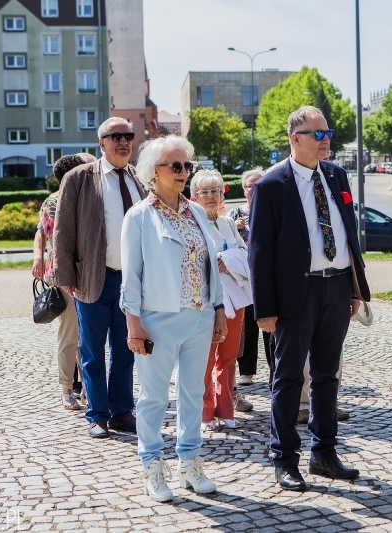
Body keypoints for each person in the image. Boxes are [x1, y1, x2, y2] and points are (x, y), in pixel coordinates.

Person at [249, 106, 371, 492]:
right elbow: (259, 253)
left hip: (335, 287)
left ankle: (325, 454)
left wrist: (353, 288)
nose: (326, 140)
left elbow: (348, 234)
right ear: (294, 138)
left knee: (327, 375)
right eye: (317, 134)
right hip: (294, 295)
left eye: (328, 133)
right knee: (287, 378)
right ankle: (284, 458)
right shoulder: (272, 186)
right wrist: (265, 309)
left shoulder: (336, 175)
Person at [121, 135, 225, 502]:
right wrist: (134, 324)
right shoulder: (138, 217)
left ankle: (190, 463)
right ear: (155, 172)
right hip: (158, 319)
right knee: (152, 398)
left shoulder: (197, 211)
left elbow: (210, 264)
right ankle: (152, 466)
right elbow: (130, 277)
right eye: (176, 166)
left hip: (198, 316)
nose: (183, 173)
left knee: (193, 393)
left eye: (187, 166)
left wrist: (217, 310)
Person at [52, 117, 145, 439]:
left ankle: (122, 412)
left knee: (126, 348)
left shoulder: (138, 179)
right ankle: (97, 415)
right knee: (92, 350)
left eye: (128, 136)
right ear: (101, 142)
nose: (123, 141)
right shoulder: (80, 178)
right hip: (93, 278)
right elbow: (63, 229)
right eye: (115, 136)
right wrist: (64, 274)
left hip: (131, 280)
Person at [32, 152, 96, 410]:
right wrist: (38, 257)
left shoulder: (87, 198)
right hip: (67, 276)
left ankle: (89, 389)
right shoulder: (55, 202)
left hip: (91, 275)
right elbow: (54, 235)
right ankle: (67, 388)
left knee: (89, 337)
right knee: (71, 335)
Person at [190, 170, 251, 431]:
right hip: (204, 301)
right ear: (194, 197)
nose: (211, 197)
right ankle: (204, 413)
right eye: (205, 192)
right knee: (205, 358)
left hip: (233, 298)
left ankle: (225, 407)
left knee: (228, 357)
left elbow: (243, 251)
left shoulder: (226, 223)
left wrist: (227, 260)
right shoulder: (192, 223)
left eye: (216, 191)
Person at [228, 168, 268, 389]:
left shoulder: (271, 209)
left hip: (267, 276)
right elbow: (225, 239)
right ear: (244, 190)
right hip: (244, 277)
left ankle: (275, 370)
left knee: (271, 326)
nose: (254, 189)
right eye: (250, 186)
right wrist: (234, 228)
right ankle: (246, 371)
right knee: (248, 326)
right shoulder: (235, 213)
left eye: (258, 185)